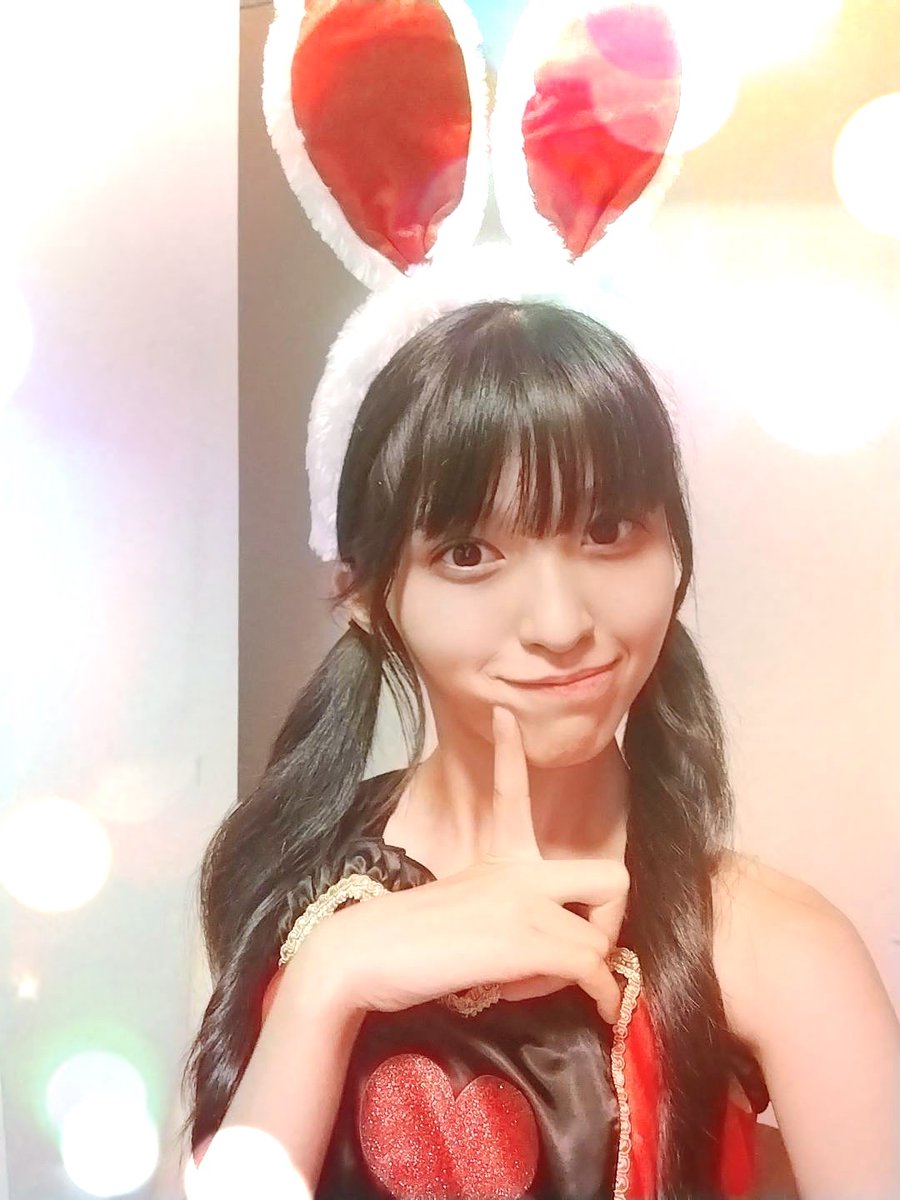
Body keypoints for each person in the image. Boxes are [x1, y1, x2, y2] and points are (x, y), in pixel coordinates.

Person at [179, 299, 899, 1199]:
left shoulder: (778, 948)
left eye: (608, 532)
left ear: (675, 556)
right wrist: (332, 977)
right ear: (363, 595)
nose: (560, 625)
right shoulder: (278, 884)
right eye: (470, 553)